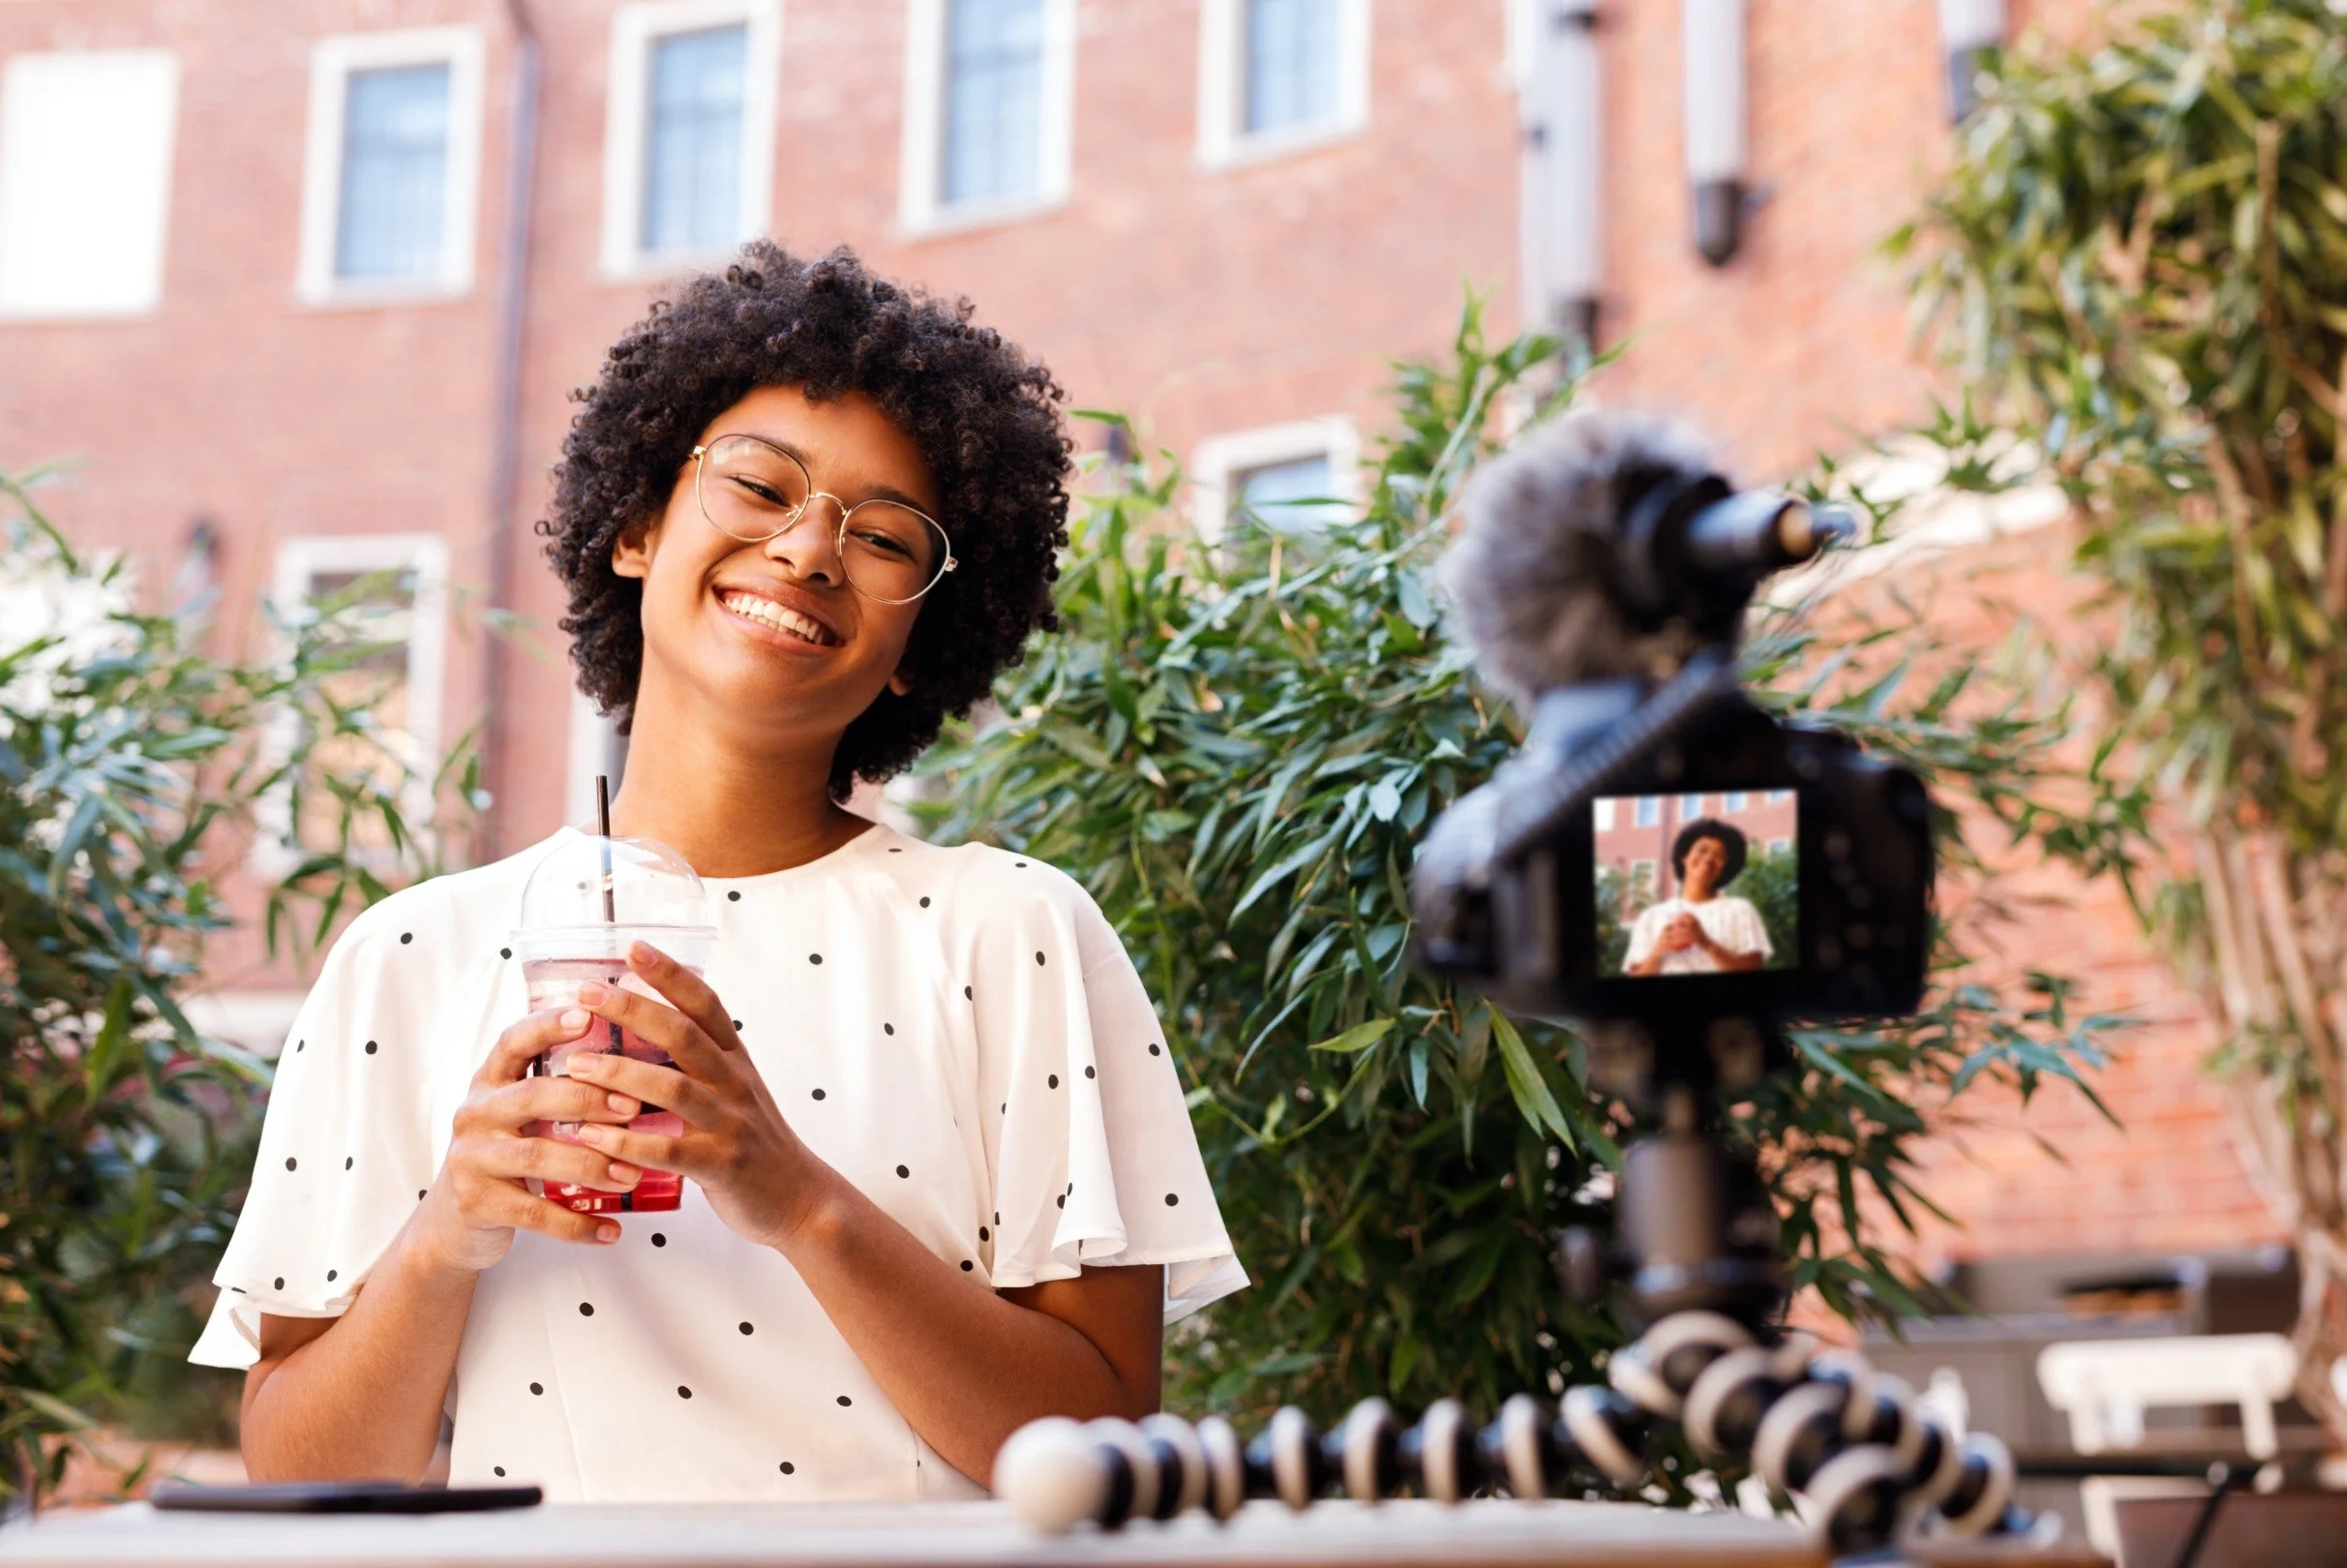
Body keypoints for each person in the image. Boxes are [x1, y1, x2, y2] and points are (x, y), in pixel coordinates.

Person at [191, 244, 1244, 1502]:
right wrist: (442, 1240)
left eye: (886, 536)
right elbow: (300, 1474)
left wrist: (790, 1193)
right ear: (638, 527)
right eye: (759, 486)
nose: (807, 551)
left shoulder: (1008, 932)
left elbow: (1106, 1446)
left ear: (921, 643)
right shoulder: (408, 959)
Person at [1619, 818, 1771, 977]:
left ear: (1725, 867)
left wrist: (1705, 942)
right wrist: (1659, 950)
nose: (1709, 858)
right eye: (1702, 850)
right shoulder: (1650, 916)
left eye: (1719, 856)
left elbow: (1753, 972)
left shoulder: (1740, 909)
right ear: (1684, 856)